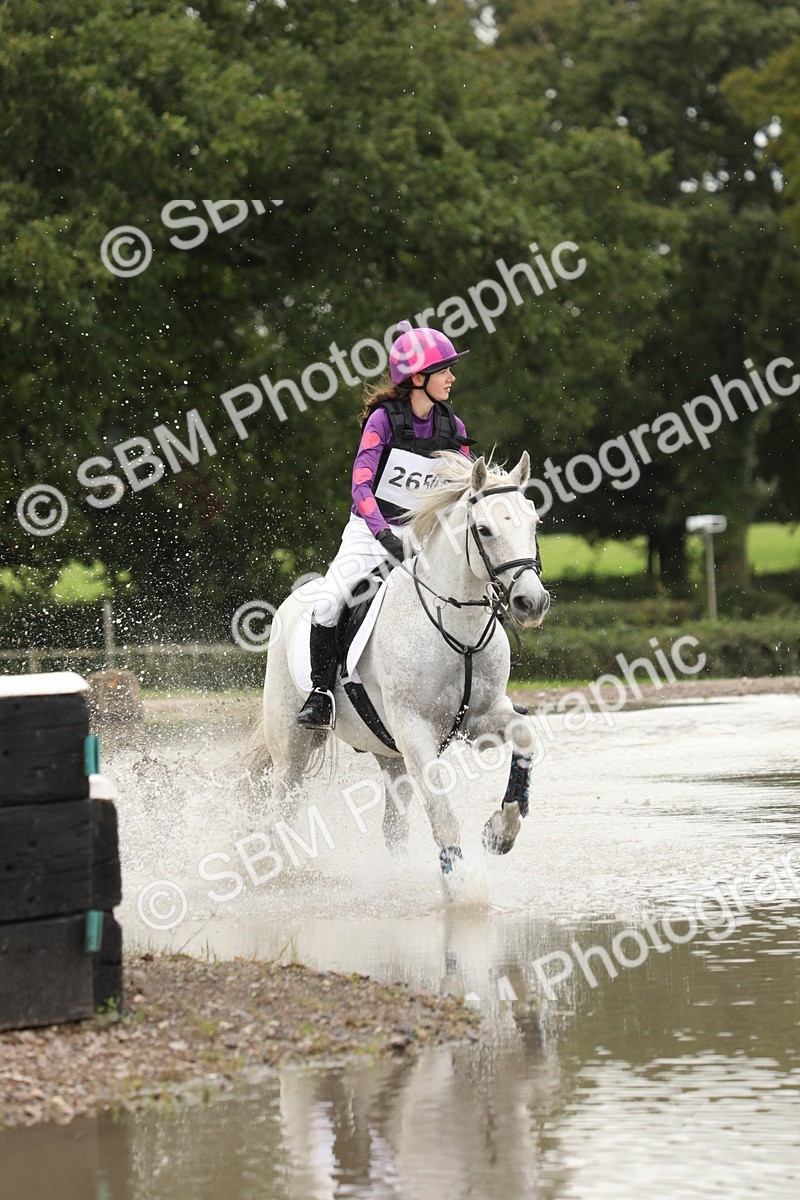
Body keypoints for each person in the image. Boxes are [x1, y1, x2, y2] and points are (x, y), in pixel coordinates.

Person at [297, 320, 474, 728]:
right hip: (369, 529)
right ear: (418, 378)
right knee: (326, 604)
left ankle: (483, 686)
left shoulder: (453, 427)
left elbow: (466, 487)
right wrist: (382, 534)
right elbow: (361, 485)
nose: (451, 376)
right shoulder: (383, 421)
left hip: (424, 532)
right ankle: (321, 692)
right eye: (444, 369)